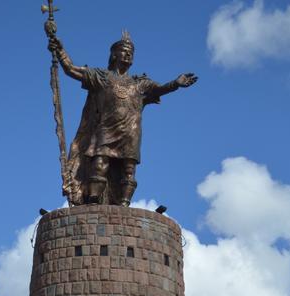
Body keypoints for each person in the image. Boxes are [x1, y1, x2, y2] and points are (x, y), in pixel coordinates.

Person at [47, 31, 197, 206]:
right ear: (114, 54)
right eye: (124, 51)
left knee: (129, 169)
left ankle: (124, 203)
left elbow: (160, 89)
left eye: (131, 52)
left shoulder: (140, 83)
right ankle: (94, 200)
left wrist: (175, 84)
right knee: (99, 163)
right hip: (105, 129)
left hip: (130, 131)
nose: (128, 54)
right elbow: (71, 70)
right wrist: (60, 51)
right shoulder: (101, 77)